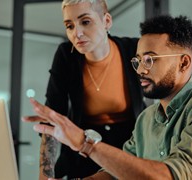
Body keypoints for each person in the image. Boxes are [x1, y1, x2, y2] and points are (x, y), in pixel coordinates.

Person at [24, 15, 192, 179]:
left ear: (183, 62)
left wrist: (85, 143)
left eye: (150, 59)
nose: (141, 69)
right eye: (138, 60)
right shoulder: (146, 119)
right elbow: (116, 174)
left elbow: (171, 177)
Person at [37, 0, 145, 179]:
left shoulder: (134, 50)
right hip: (83, 149)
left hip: (129, 147)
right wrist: (44, 175)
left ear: (107, 21)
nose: (76, 33)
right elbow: (53, 116)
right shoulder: (66, 55)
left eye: (85, 22)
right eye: (69, 26)